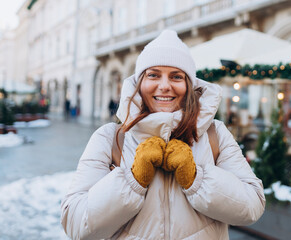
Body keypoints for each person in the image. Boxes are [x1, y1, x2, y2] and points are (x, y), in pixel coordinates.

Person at [61, 29, 265, 239]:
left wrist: (197, 179)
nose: (165, 86)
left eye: (176, 76)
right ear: (140, 83)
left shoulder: (216, 134)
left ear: (189, 85)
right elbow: (75, 223)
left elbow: (253, 206)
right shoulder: (108, 138)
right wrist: (133, 180)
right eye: (153, 75)